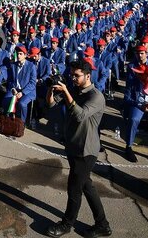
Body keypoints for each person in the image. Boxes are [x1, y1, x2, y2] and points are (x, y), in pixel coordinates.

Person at [45, 60, 111, 238]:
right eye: (72, 75)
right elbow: (51, 104)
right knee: (86, 185)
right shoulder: (75, 90)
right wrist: (52, 88)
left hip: (86, 150)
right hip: (73, 145)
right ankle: (102, 224)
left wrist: (66, 91)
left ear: (88, 76)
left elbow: (80, 115)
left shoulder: (96, 97)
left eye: (77, 75)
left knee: (74, 188)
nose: (73, 78)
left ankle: (67, 224)